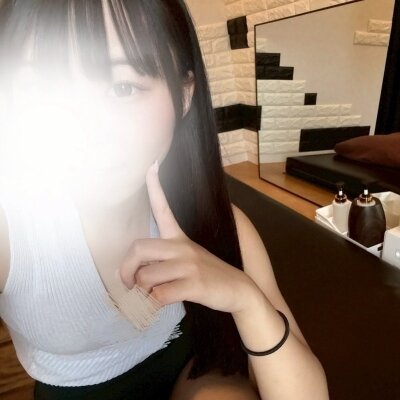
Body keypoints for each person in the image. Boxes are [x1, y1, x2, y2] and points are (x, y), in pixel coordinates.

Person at [0, 0, 329, 399]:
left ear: (184, 95)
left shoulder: (217, 221)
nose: (84, 129)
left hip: (194, 374)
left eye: (123, 87)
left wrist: (246, 299)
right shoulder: (11, 228)